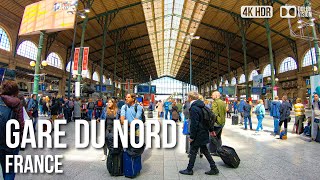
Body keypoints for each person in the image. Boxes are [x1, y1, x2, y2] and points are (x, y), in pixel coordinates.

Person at [179, 91, 219, 176]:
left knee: (193, 151)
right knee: (204, 151)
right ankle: (214, 168)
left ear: (190, 98)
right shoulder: (203, 106)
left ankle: (189, 169)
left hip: (198, 134)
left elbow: (194, 124)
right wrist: (211, 130)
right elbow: (208, 119)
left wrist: (192, 136)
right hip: (204, 132)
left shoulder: (194, 108)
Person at [0, 81, 24, 179]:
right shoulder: (17, 103)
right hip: (11, 142)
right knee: (9, 170)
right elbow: (21, 124)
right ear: (16, 91)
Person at [210, 91, 227, 156]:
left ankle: (216, 150)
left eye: (212, 95)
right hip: (222, 122)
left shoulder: (215, 102)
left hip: (216, 123)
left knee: (212, 137)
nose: (211, 96)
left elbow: (214, 114)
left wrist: (211, 122)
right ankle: (219, 151)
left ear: (216, 96)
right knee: (218, 137)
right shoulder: (223, 102)